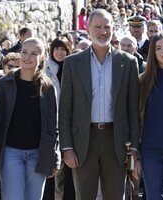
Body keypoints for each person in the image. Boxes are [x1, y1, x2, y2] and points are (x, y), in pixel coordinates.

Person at [59, 9, 140, 200]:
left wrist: (134, 148)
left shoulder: (128, 62)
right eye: (98, 27)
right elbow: (65, 109)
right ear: (87, 29)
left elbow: (133, 110)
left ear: (113, 29)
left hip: (117, 141)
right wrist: (67, 147)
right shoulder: (72, 63)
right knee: (84, 196)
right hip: (83, 141)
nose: (103, 32)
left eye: (107, 27)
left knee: (114, 195)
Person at [0, 37, 60, 200]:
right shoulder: (4, 83)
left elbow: (53, 126)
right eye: (24, 52)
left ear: (42, 57)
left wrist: (55, 157)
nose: (27, 57)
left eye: (33, 53)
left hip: (38, 154)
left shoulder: (48, 87)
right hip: (10, 153)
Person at [139, 32, 163, 200]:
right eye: (158, 48)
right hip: (150, 150)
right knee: (153, 197)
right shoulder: (143, 81)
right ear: (153, 53)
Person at [43, 36, 74, 200]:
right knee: (51, 168)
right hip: (51, 122)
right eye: (57, 49)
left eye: (63, 49)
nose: (60, 52)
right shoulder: (45, 69)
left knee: (68, 169)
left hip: (69, 123)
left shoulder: (73, 68)